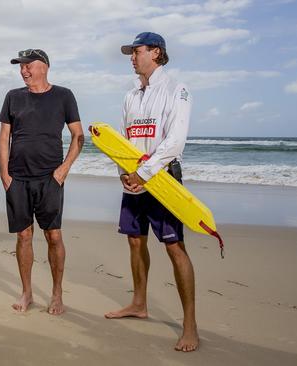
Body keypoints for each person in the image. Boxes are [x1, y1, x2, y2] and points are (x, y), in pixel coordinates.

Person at [103, 32, 198, 352]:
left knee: (174, 247)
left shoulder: (177, 89)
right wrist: (124, 173)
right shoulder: (132, 95)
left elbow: (175, 141)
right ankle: (139, 304)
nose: (131, 57)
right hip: (134, 179)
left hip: (162, 179)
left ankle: (189, 325)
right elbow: (122, 139)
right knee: (134, 240)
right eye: (130, 52)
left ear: (156, 52)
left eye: (137, 51)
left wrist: (143, 174)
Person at [0, 49, 84, 315]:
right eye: (20, 67)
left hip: (50, 177)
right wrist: (5, 174)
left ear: (43, 66)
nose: (23, 70)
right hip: (18, 177)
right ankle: (27, 293)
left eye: (27, 65)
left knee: (53, 236)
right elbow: (4, 138)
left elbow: (78, 136)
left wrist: (64, 169)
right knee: (24, 236)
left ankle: (57, 294)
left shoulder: (64, 95)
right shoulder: (13, 97)